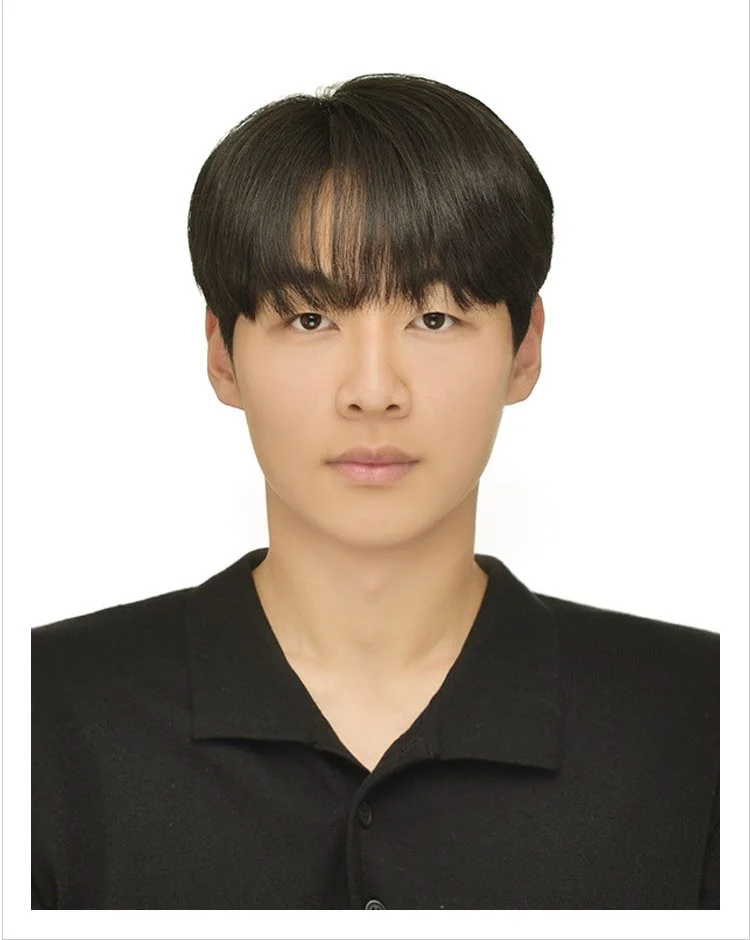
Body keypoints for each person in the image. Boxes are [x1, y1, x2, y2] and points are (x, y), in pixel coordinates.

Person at [31, 72, 719, 910]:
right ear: (222, 355)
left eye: (433, 318)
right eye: (311, 319)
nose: (372, 391)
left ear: (525, 350)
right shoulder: (42, 711)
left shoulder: (703, 717)